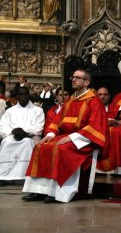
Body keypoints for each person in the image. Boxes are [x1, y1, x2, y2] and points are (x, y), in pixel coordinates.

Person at [22, 69, 107, 203]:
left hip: (83, 141)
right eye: (73, 77)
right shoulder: (71, 101)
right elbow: (57, 121)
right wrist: (50, 134)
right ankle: (39, 190)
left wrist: (72, 137)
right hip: (66, 137)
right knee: (41, 146)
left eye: (77, 78)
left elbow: (95, 127)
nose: (73, 80)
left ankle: (57, 191)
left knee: (61, 149)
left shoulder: (94, 101)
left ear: (87, 82)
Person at [0, 86, 44, 185]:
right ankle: (4, 176)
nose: (23, 96)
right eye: (21, 94)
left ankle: (26, 175)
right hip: (12, 135)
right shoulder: (10, 111)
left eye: (25, 94)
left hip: (30, 137)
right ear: (17, 97)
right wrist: (13, 131)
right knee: (6, 142)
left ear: (29, 95)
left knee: (26, 142)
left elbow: (39, 127)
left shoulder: (38, 110)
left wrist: (25, 132)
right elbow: (3, 126)